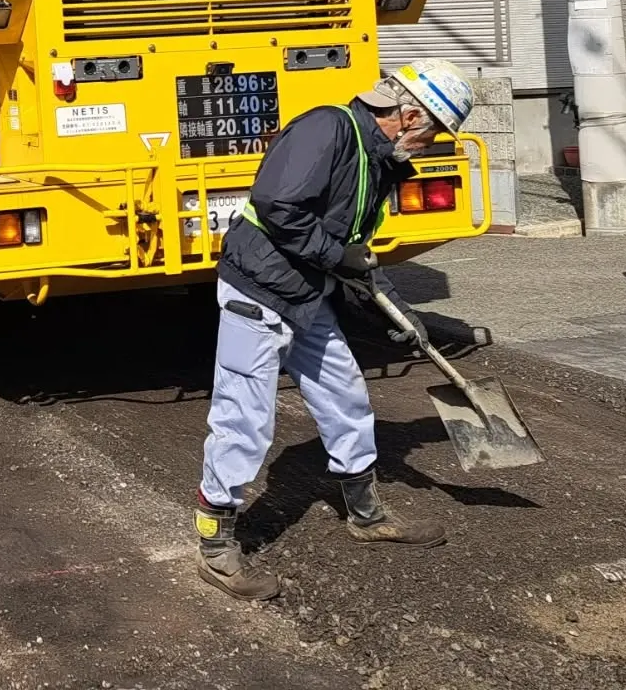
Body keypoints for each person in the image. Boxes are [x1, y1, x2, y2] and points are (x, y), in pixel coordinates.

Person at [195, 59, 476, 602]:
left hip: (307, 294)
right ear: (409, 114)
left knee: (346, 396)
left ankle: (367, 515)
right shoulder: (328, 129)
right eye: (435, 132)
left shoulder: (378, 160)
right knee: (245, 416)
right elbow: (276, 205)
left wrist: (396, 308)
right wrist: (336, 257)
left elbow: (355, 253)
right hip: (258, 288)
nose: (432, 144)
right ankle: (214, 542)